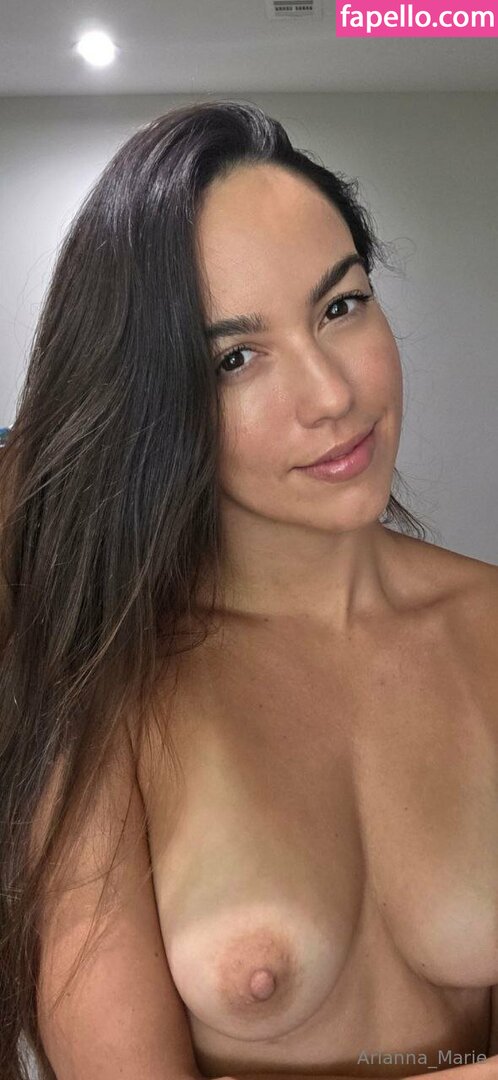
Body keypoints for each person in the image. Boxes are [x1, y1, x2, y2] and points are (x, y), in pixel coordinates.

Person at [0, 100, 496, 1080]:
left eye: (340, 306)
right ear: (157, 403)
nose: (331, 395)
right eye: (234, 359)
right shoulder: (110, 690)